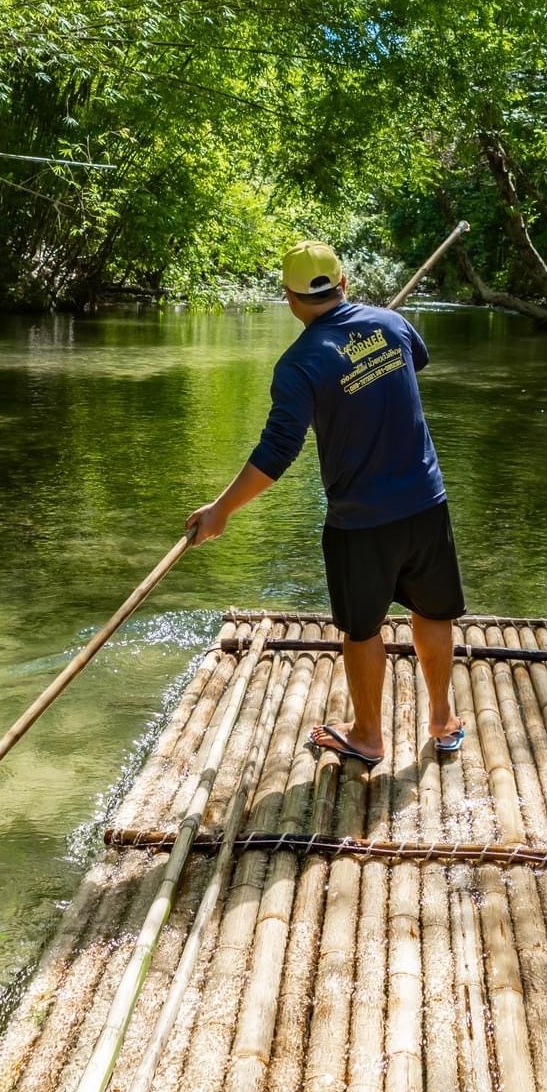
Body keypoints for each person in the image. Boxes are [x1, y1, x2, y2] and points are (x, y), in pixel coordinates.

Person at [183, 239, 466, 763]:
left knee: (362, 629)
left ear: (290, 298)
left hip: (360, 523)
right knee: (434, 611)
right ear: (343, 284)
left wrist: (221, 509)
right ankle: (442, 719)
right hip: (427, 503)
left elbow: (277, 452)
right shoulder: (392, 324)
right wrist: (372, 352)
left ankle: (367, 735)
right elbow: (416, 360)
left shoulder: (298, 366)